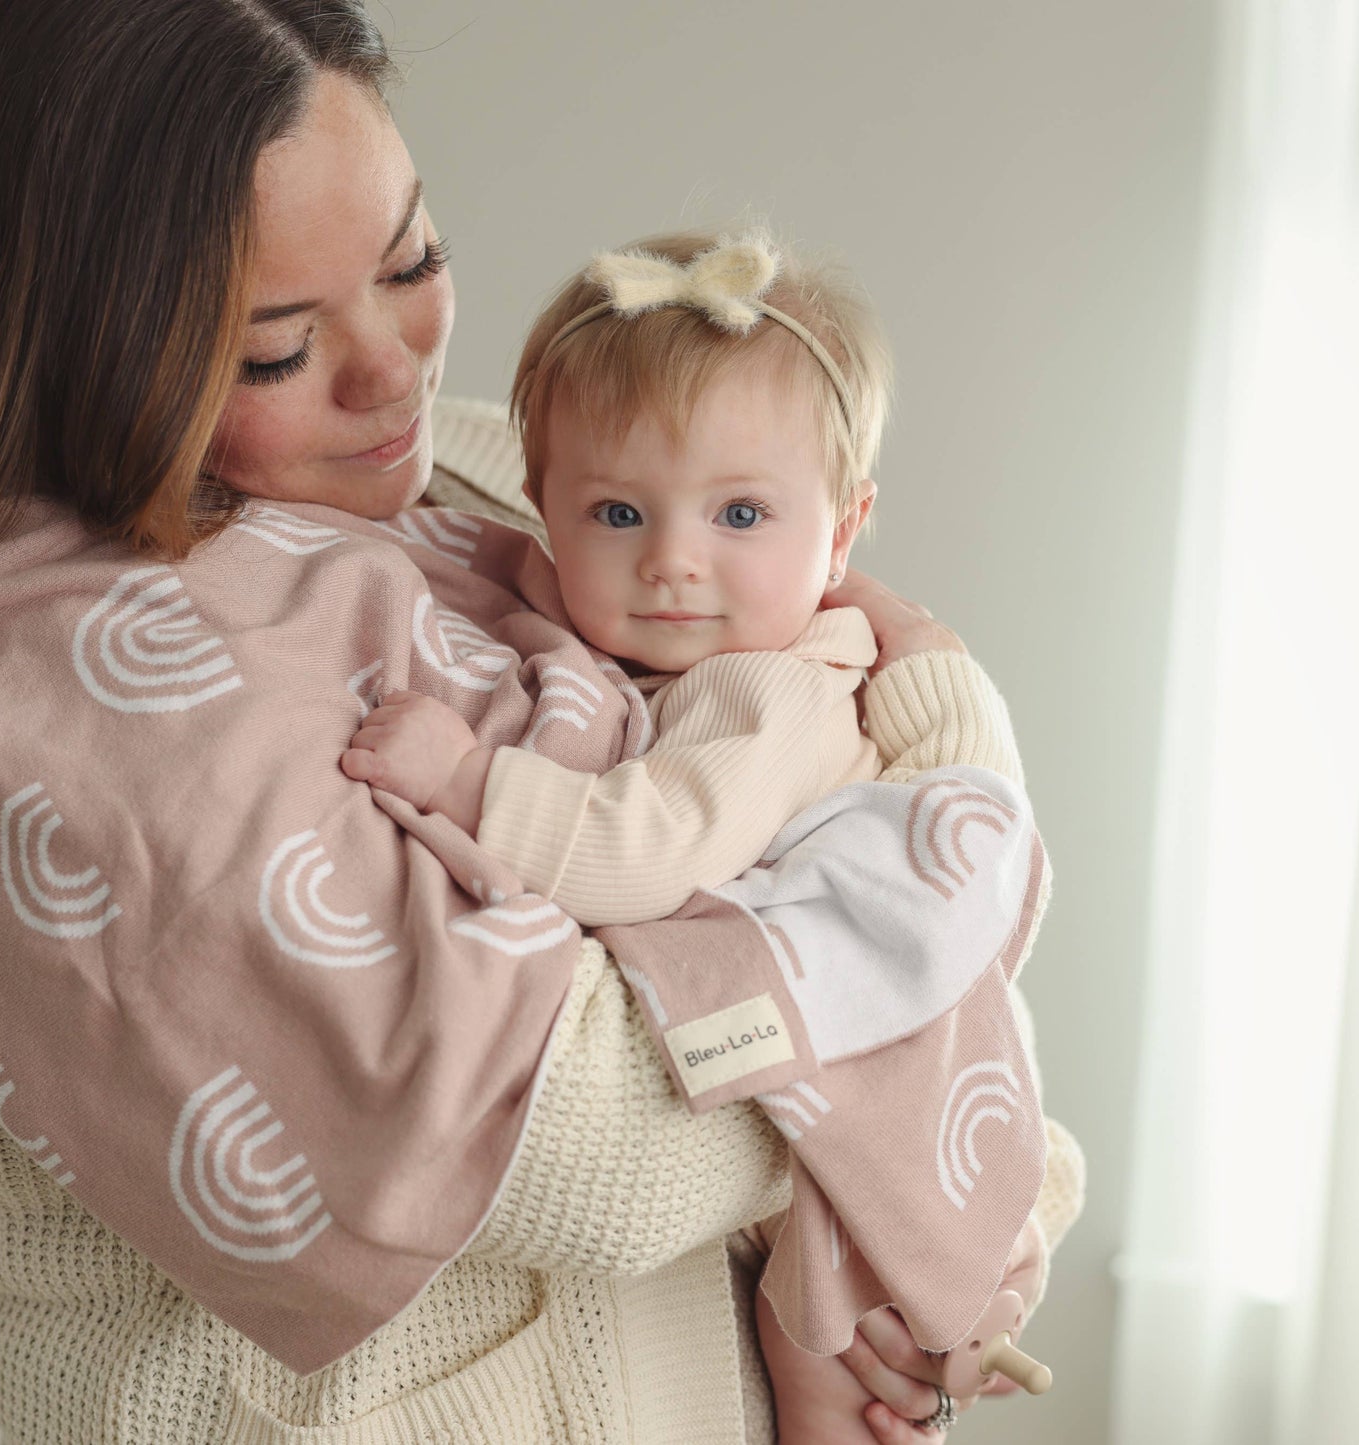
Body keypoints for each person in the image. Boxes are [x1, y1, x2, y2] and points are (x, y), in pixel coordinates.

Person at [0, 3, 1084, 1443]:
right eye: (276, 349)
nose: (397, 372)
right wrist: (946, 812)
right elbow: (590, 1141)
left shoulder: (476, 474)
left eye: (412, 260)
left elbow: (845, 712)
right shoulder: (52, 693)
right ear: (63, 345)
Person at [338, 226, 1053, 1445]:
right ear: (543, 509)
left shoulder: (768, 688)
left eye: (738, 513)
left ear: (841, 534)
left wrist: (472, 782)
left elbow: (656, 846)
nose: (671, 562)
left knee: (814, 1332)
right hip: (840, 1070)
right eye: (616, 509)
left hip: (871, 1045)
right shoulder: (657, 644)